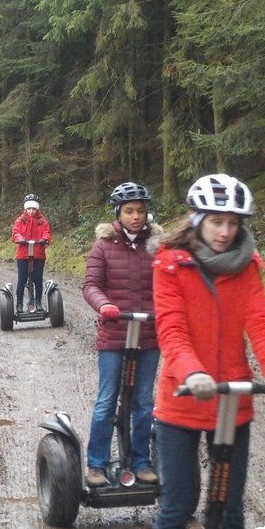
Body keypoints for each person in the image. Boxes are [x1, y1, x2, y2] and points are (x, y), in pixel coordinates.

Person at [143, 174, 265, 529]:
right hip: (182, 401)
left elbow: (261, 322)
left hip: (233, 404)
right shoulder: (170, 263)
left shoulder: (247, 266)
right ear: (197, 220)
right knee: (177, 507)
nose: (225, 231)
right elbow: (170, 327)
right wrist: (191, 372)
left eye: (232, 223)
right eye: (216, 222)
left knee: (229, 512)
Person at [82, 182, 161, 490]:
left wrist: (164, 310)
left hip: (148, 335)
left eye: (140, 211)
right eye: (129, 211)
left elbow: (166, 286)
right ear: (118, 213)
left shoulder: (156, 246)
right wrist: (105, 305)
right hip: (115, 335)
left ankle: (141, 462)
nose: (136, 217)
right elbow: (91, 285)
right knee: (106, 400)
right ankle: (97, 464)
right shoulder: (104, 245)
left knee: (143, 402)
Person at [10, 194, 51, 312]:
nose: (31, 211)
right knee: (22, 280)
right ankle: (19, 304)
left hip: (38, 254)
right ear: (25, 209)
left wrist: (44, 239)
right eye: (29, 208)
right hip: (23, 255)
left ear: (37, 208)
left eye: (33, 208)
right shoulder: (20, 220)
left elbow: (47, 232)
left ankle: (38, 302)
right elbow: (15, 232)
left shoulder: (42, 221)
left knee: (38, 279)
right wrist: (19, 238)